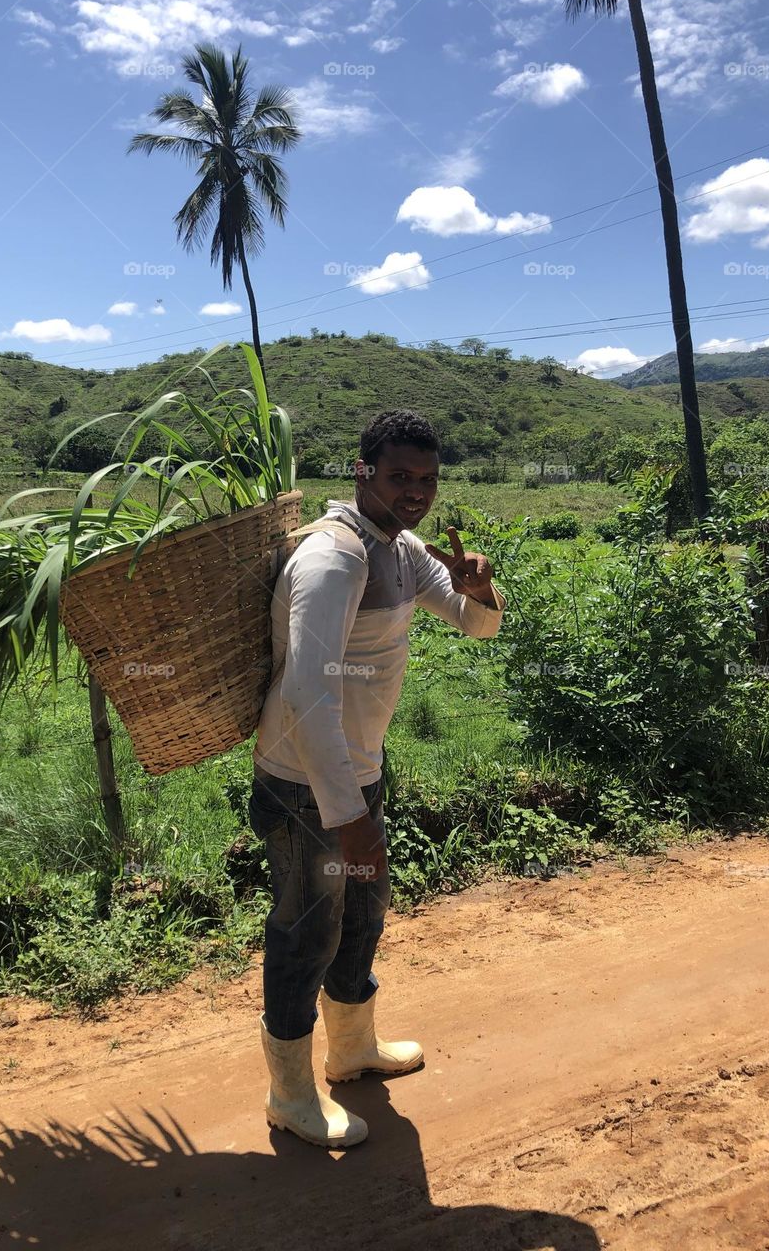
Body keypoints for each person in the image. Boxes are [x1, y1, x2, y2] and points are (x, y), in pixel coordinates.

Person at [249, 409, 507, 1148]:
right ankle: (290, 1094)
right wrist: (347, 815)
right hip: (304, 784)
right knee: (307, 930)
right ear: (363, 473)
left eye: (426, 479)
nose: (416, 491)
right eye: (399, 476)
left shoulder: (402, 551)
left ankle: (352, 1048)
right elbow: (305, 693)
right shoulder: (336, 558)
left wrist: (479, 588)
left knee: (363, 915)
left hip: (357, 771)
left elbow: (476, 625)